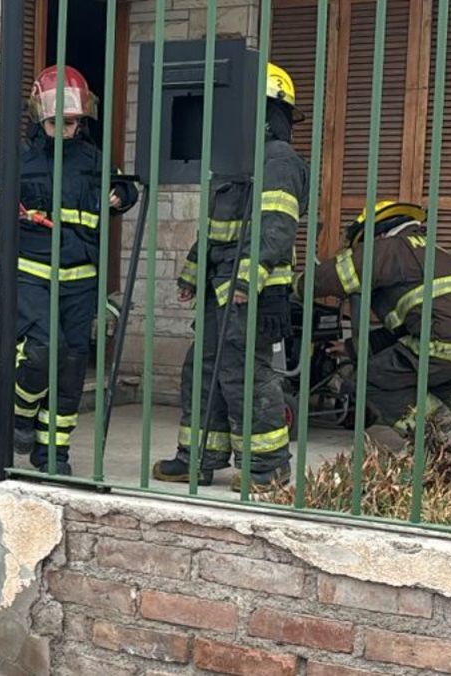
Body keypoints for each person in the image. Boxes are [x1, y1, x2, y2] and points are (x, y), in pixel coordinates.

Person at [0, 65, 138, 476]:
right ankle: (22, 416)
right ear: (39, 115)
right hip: (31, 272)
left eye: (73, 120)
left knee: (71, 368)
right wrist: (0, 212)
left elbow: (126, 189)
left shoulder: (95, 161)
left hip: (81, 279)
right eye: (58, 119)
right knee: (44, 351)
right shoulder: (18, 161)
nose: (66, 126)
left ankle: (53, 455)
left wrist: (123, 195)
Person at [153, 62, 309, 491]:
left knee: (245, 376)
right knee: (202, 372)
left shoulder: (278, 161)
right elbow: (214, 232)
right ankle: (198, 459)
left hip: (252, 292)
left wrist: (244, 280)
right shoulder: (233, 165)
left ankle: (267, 468)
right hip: (219, 291)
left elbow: (275, 228)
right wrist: (191, 274)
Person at [296, 200, 451, 439]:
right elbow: (403, 331)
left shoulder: (389, 248)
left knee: (366, 381)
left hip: (442, 339)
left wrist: (293, 285)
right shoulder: (431, 251)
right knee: (433, 380)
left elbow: (333, 277)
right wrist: (352, 347)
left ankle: (440, 438)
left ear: (375, 234)